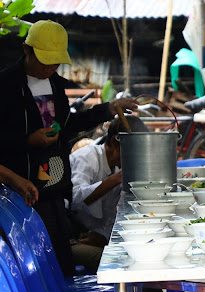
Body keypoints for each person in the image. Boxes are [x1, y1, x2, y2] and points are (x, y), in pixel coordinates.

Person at [0, 20, 137, 276]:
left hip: (55, 189)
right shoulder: (6, 85)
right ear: (26, 49)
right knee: (34, 269)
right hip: (22, 192)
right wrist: (28, 141)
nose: (48, 68)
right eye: (44, 61)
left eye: (55, 63)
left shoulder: (54, 84)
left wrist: (106, 110)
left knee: (62, 264)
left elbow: (67, 125)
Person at [69, 115, 148, 273]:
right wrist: (116, 179)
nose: (135, 158)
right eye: (132, 151)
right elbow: (75, 198)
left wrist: (103, 236)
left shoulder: (116, 166)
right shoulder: (87, 158)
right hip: (69, 240)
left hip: (93, 236)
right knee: (122, 264)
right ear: (114, 142)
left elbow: (114, 212)